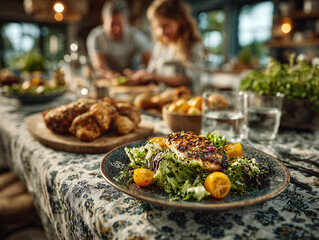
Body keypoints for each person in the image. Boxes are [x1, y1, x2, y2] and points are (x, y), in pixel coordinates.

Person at [132, 0, 205, 94]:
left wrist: (154, 76)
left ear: (180, 21)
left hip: (188, 103)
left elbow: (189, 78)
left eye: (166, 26)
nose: (161, 32)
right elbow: (152, 70)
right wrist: (141, 75)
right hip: (163, 100)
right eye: (157, 27)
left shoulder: (193, 45)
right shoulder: (160, 45)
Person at [86, 0, 151, 80]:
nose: (116, 29)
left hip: (134, 80)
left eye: (120, 24)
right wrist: (110, 75)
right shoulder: (96, 37)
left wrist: (140, 74)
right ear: (103, 20)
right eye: (112, 24)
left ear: (126, 22)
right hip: (108, 80)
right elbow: (99, 66)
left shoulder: (137, 36)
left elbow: (151, 63)